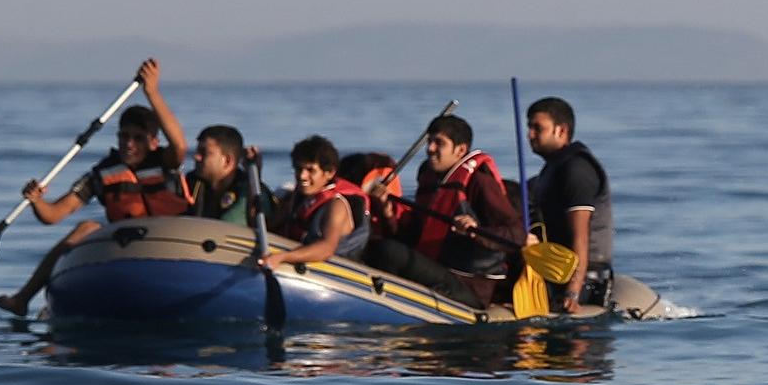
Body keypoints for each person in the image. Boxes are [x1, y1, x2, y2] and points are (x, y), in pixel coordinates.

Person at [0, 58, 187, 316]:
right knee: (86, 227)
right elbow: (53, 216)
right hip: (127, 243)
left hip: (171, 240)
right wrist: (36, 201)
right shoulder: (103, 173)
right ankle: (23, 298)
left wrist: (151, 92)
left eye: (138, 138)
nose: (129, 144)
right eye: (124, 136)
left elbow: (180, 145)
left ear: (153, 142)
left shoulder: (164, 162)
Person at [365, 113, 523, 308]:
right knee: (379, 245)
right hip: (437, 268)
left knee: (388, 251)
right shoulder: (430, 180)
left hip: (469, 288)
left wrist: (475, 232)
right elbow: (416, 237)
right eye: (429, 142)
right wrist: (387, 212)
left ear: (461, 150)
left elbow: (516, 235)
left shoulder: (480, 183)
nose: (430, 149)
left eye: (439, 143)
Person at [527, 96, 613, 312]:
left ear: (561, 130)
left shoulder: (576, 170)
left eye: (538, 128)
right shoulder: (552, 169)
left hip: (586, 279)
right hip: (554, 268)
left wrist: (572, 293)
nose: (530, 135)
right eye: (529, 127)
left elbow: (580, 237)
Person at [262, 135, 370, 270]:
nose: (302, 176)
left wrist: (282, 257)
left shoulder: (336, 206)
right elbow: (267, 225)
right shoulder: (296, 198)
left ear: (329, 173)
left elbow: (327, 248)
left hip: (334, 271)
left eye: (310, 170)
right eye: (298, 169)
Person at [186, 125, 266, 225]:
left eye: (204, 153)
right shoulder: (190, 184)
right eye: (197, 151)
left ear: (227, 161)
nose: (196, 157)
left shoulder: (248, 191)